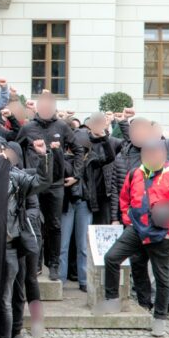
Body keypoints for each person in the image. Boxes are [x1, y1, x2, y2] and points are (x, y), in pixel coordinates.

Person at [97, 140, 169, 338]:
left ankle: (159, 317)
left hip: (162, 234)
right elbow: (125, 198)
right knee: (113, 258)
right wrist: (128, 219)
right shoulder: (135, 174)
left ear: (163, 156)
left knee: (162, 277)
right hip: (137, 229)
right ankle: (127, 301)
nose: (151, 157)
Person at [0, 136, 50, 338]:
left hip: (11, 245)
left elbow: (42, 181)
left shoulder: (15, 177)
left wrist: (44, 156)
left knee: (8, 298)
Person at [16, 92, 85, 281]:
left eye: (49, 106)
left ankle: (53, 264)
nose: (45, 109)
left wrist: (75, 176)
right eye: (42, 106)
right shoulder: (28, 127)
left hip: (55, 184)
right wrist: (21, 173)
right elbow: (15, 149)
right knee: (34, 223)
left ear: (54, 108)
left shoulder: (62, 126)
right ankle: (35, 263)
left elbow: (79, 150)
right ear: (37, 108)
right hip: (34, 183)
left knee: (54, 225)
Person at [60, 113, 115, 291]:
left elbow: (109, 157)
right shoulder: (62, 158)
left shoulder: (91, 159)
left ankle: (84, 280)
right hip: (66, 203)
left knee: (83, 244)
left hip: (85, 203)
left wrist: (104, 138)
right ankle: (60, 279)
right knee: (64, 244)